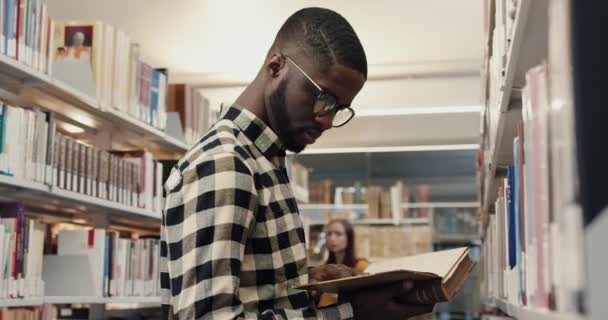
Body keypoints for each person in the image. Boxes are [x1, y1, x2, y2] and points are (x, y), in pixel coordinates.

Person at [160, 7, 434, 320]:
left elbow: (254, 297)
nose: (328, 120)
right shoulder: (225, 165)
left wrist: (299, 286)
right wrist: (350, 314)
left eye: (339, 108)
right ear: (276, 68)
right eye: (323, 97)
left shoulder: (263, 163)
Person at [317, 219, 369, 308]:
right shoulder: (323, 266)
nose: (332, 238)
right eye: (329, 234)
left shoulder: (361, 266)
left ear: (349, 237)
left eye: (338, 234)